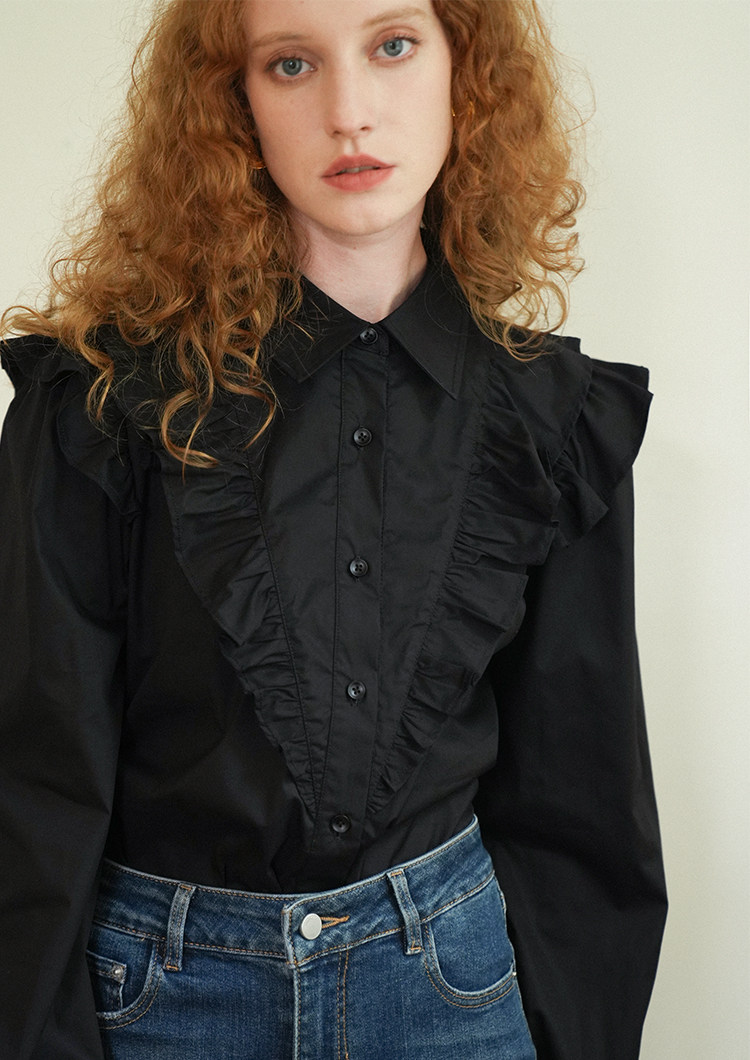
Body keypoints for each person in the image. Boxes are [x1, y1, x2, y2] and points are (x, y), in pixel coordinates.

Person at [0, 0, 667, 1057]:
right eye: (291, 64)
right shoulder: (102, 405)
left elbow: (582, 795)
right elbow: (38, 779)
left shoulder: (550, 421)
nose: (349, 111)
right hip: (162, 1003)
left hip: (453, 995)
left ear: (465, 70)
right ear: (233, 103)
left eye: (393, 45)